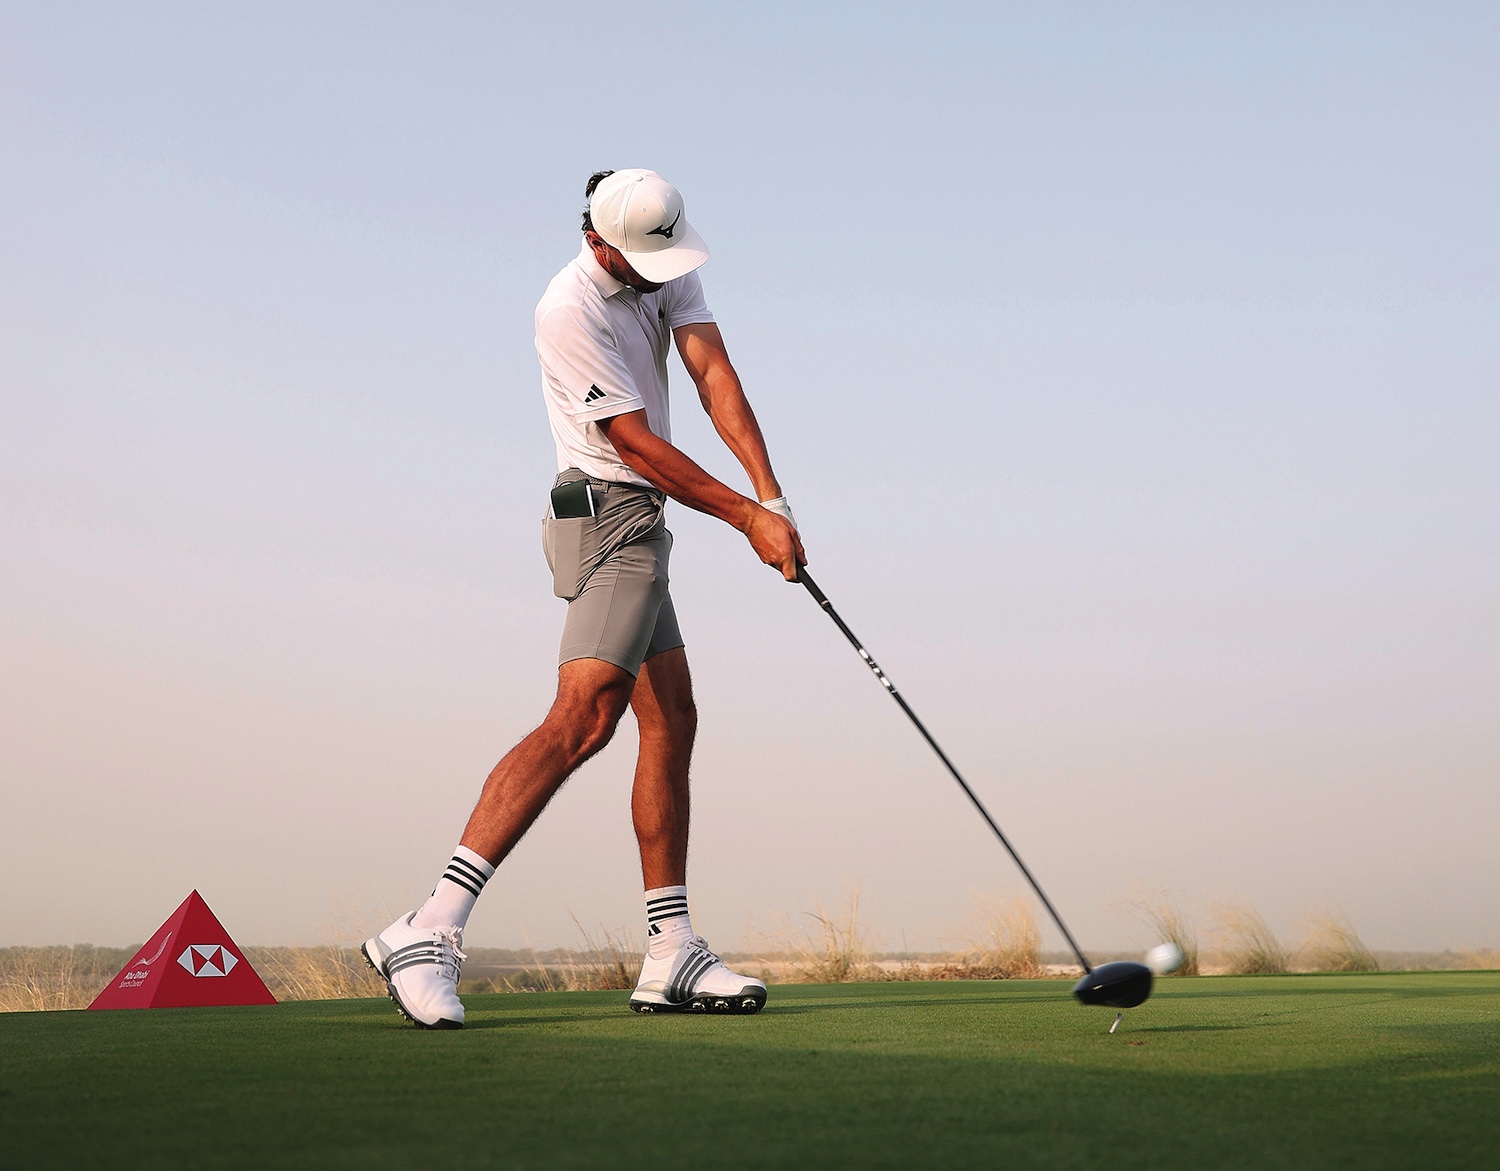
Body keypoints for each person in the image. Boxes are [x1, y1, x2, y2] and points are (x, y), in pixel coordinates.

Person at [362, 169, 805, 1028]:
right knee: (586, 715)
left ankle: (671, 948)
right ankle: (428, 926)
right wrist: (746, 519)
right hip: (610, 516)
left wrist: (772, 496)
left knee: (671, 717)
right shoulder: (566, 311)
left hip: (643, 521)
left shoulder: (661, 260)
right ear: (600, 241)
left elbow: (712, 372)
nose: (660, 274)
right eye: (643, 261)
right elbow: (636, 445)